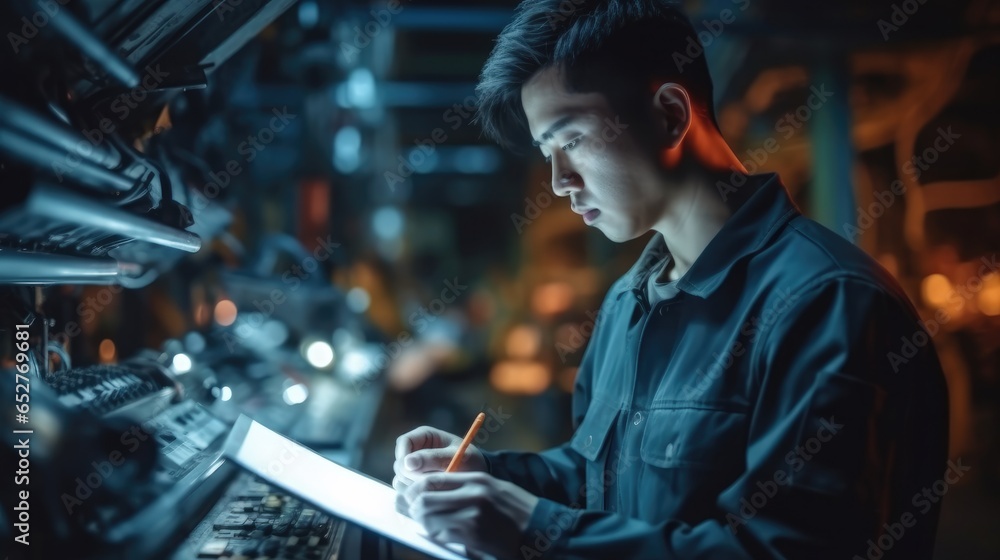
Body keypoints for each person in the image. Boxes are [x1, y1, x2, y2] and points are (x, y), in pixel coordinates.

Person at [392, 1, 950, 558]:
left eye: (573, 140)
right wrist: (485, 472)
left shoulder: (827, 304)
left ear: (669, 115)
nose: (560, 181)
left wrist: (537, 530)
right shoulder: (625, 305)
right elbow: (597, 479)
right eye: (548, 153)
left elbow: (787, 549)